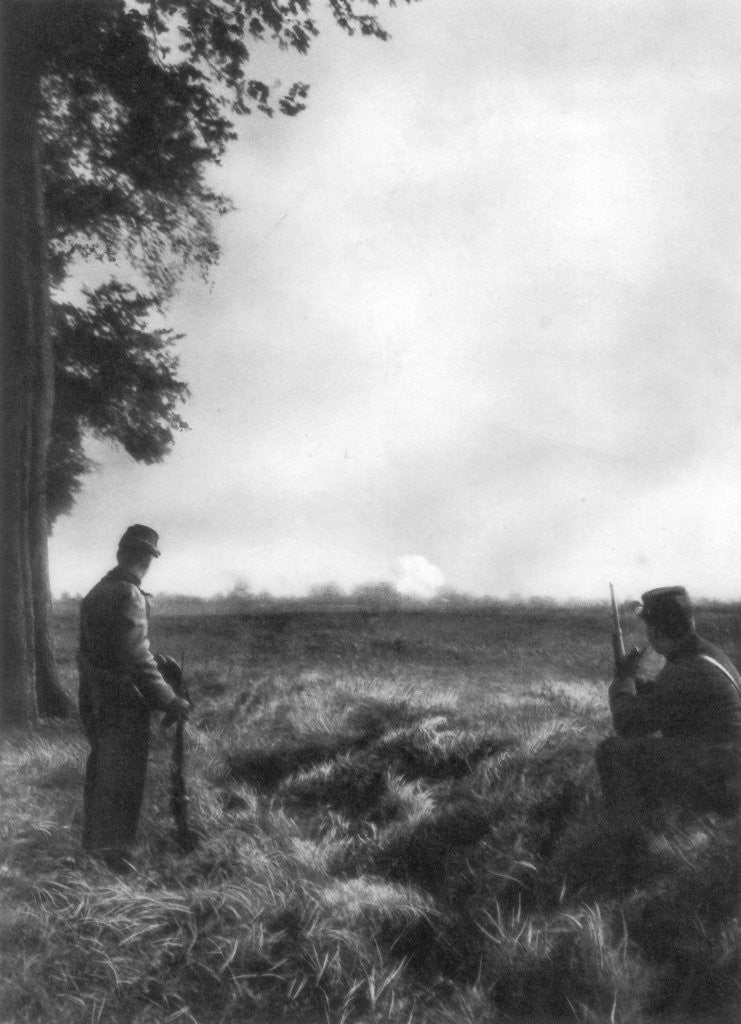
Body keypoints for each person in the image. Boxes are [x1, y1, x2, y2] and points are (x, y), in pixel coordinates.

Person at [77, 524, 190, 870]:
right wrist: (170, 700)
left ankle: (95, 851)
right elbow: (136, 660)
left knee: (102, 771)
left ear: (120, 553)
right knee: (124, 778)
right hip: (123, 702)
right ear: (146, 558)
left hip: (95, 697)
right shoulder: (129, 594)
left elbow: (110, 650)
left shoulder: (96, 593)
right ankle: (115, 858)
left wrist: (157, 660)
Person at [596, 586, 741, 829]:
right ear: (689, 622)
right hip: (729, 767)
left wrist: (623, 679)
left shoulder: (683, 671)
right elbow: (674, 699)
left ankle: (628, 841)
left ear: (654, 630)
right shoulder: (708, 655)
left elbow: (628, 725)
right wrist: (636, 682)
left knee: (613, 752)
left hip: (724, 778)